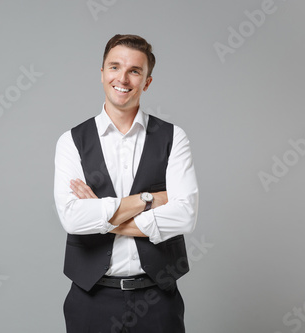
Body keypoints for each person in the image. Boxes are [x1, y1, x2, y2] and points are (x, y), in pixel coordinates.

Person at [54, 34, 199, 333]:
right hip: (89, 300)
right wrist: (150, 200)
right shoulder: (71, 141)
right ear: (103, 73)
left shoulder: (173, 138)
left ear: (146, 82)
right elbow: (71, 218)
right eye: (114, 67)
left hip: (158, 299)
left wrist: (100, 214)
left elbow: (186, 215)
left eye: (135, 71)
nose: (123, 78)